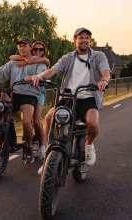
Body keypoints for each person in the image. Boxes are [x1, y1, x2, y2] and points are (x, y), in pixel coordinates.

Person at [27, 28, 110, 172]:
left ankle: (89, 145)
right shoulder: (68, 58)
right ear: (75, 40)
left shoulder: (99, 56)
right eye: (81, 37)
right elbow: (53, 70)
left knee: (93, 123)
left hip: (88, 98)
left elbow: (105, 71)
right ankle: (50, 152)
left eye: (87, 38)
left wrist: (104, 81)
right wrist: (40, 76)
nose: (84, 40)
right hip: (68, 98)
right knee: (48, 118)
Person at [0, 37, 47, 164]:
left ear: (30, 48)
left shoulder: (39, 63)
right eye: (20, 46)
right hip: (14, 94)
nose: (22, 48)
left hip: (29, 95)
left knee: (27, 121)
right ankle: (7, 128)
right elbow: (0, 73)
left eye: (24, 45)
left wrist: (35, 77)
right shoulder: (13, 62)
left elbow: (42, 73)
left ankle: (28, 147)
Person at [9, 41, 50, 159]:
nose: (38, 52)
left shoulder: (44, 62)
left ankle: (42, 147)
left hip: (39, 91)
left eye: (41, 50)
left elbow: (46, 61)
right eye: (35, 49)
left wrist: (29, 60)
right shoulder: (25, 60)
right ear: (32, 50)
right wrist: (26, 60)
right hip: (29, 90)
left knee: (36, 120)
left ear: (44, 51)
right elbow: (11, 57)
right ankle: (10, 140)